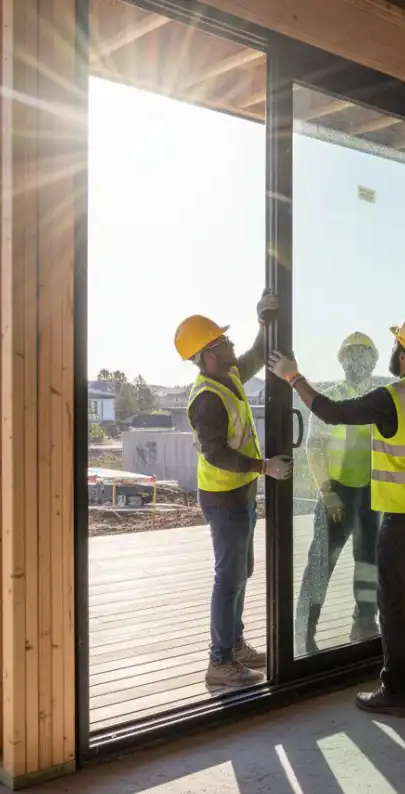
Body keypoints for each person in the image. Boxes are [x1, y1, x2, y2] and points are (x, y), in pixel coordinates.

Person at [268, 311, 405, 717]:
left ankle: (395, 691)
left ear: (403, 355)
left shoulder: (391, 398)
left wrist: (292, 377)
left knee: (392, 604)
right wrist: (330, 492)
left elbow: (331, 411)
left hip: (401, 517)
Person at [174, 291, 293, 688]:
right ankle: (219, 661)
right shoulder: (207, 399)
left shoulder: (229, 375)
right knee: (229, 577)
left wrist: (263, 320)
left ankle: (236, 646)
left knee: (242, 571)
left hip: (239, 493)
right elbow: (217, 455)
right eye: (223, 342)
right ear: (208, 356)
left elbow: (259, 352)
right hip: (223, 498)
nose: (231, 344)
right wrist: (265, 467)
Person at [296, 332, 381, 655]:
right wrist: (328, 491)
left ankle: (365, 623)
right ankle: (304, 634)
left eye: (362, 356)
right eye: (351, 356)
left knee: (368, 563)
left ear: (372, 362)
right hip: (338, 493)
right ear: (342, 361)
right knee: (321, 564)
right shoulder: (331, 400)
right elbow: (314, 448)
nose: (356, 362)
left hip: (370, 492)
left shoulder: (378, 399)